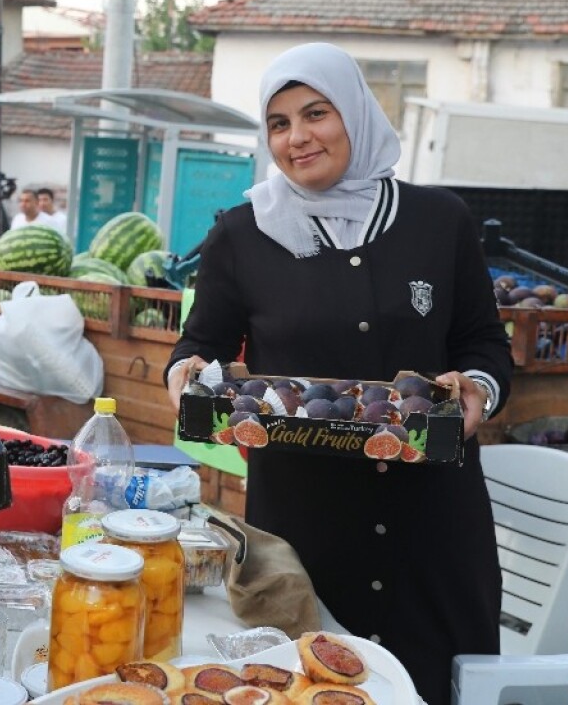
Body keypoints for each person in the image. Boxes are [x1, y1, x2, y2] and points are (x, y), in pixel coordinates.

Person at [164, 43, 510, 705]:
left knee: (431, 687)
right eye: (279, 123)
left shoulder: (440, 222)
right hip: (303, 530)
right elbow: (201, 340)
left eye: (316, 113)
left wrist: (477, 393)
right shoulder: (242, 234)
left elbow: (483, 343)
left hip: (433, 528)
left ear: (354, 112)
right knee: (302, 687)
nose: (298, 138)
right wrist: (187, 372)